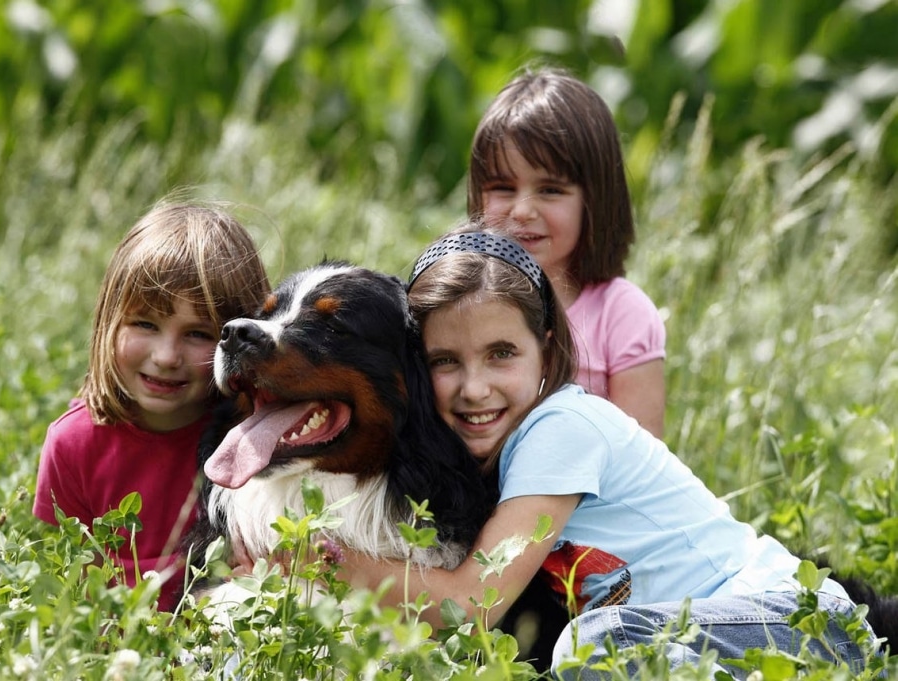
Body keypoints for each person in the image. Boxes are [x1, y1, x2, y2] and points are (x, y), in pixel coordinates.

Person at [338, 228, 873, 678]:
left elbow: (471, 606)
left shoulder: (563, 428)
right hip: (709, 643)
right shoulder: (482, 455)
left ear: (546, 349)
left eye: (502, 354)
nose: (474, 388)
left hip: (804, 625)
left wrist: (332, 565)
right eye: (445, 361)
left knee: (595, 642)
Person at [33, 200, 270, 611]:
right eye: (145, 324)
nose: (166, 356)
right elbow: (68, 595)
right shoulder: (74, 443)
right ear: (109, 320)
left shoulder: (251, 439)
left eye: (198, 333)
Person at [467, 65, 666, 437]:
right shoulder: (463, 303)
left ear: (595, 200)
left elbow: (642, 460)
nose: (522, 210)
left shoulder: (620, 313)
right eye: (502, 188)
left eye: (550, 190)